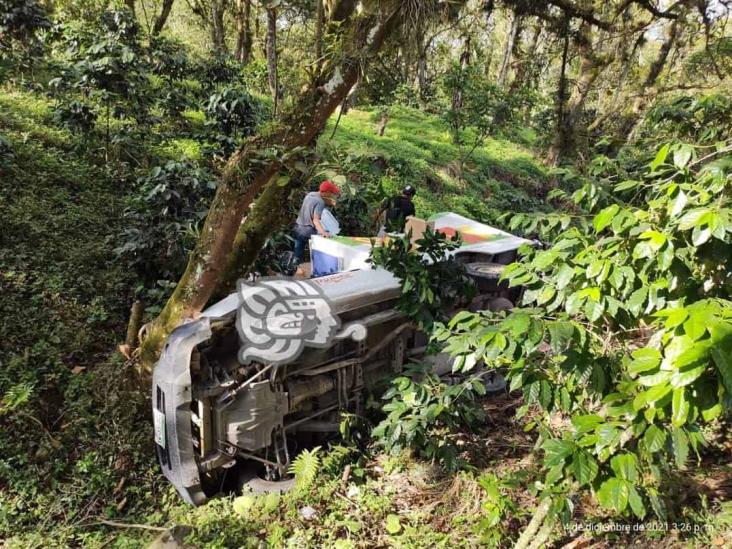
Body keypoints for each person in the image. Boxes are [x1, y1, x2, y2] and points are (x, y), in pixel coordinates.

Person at [292, 180, 341, 265]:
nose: (332, 195)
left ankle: (293, 269)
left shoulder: (310, 194)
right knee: (322, 249)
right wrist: (324, 233)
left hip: (298, 227)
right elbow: (315, 220)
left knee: (298, 253)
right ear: (327, 192)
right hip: (308, 230)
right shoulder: (320, 202)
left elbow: (315, 201)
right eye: (332, 193)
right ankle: (321, 269)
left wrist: (328, 201)